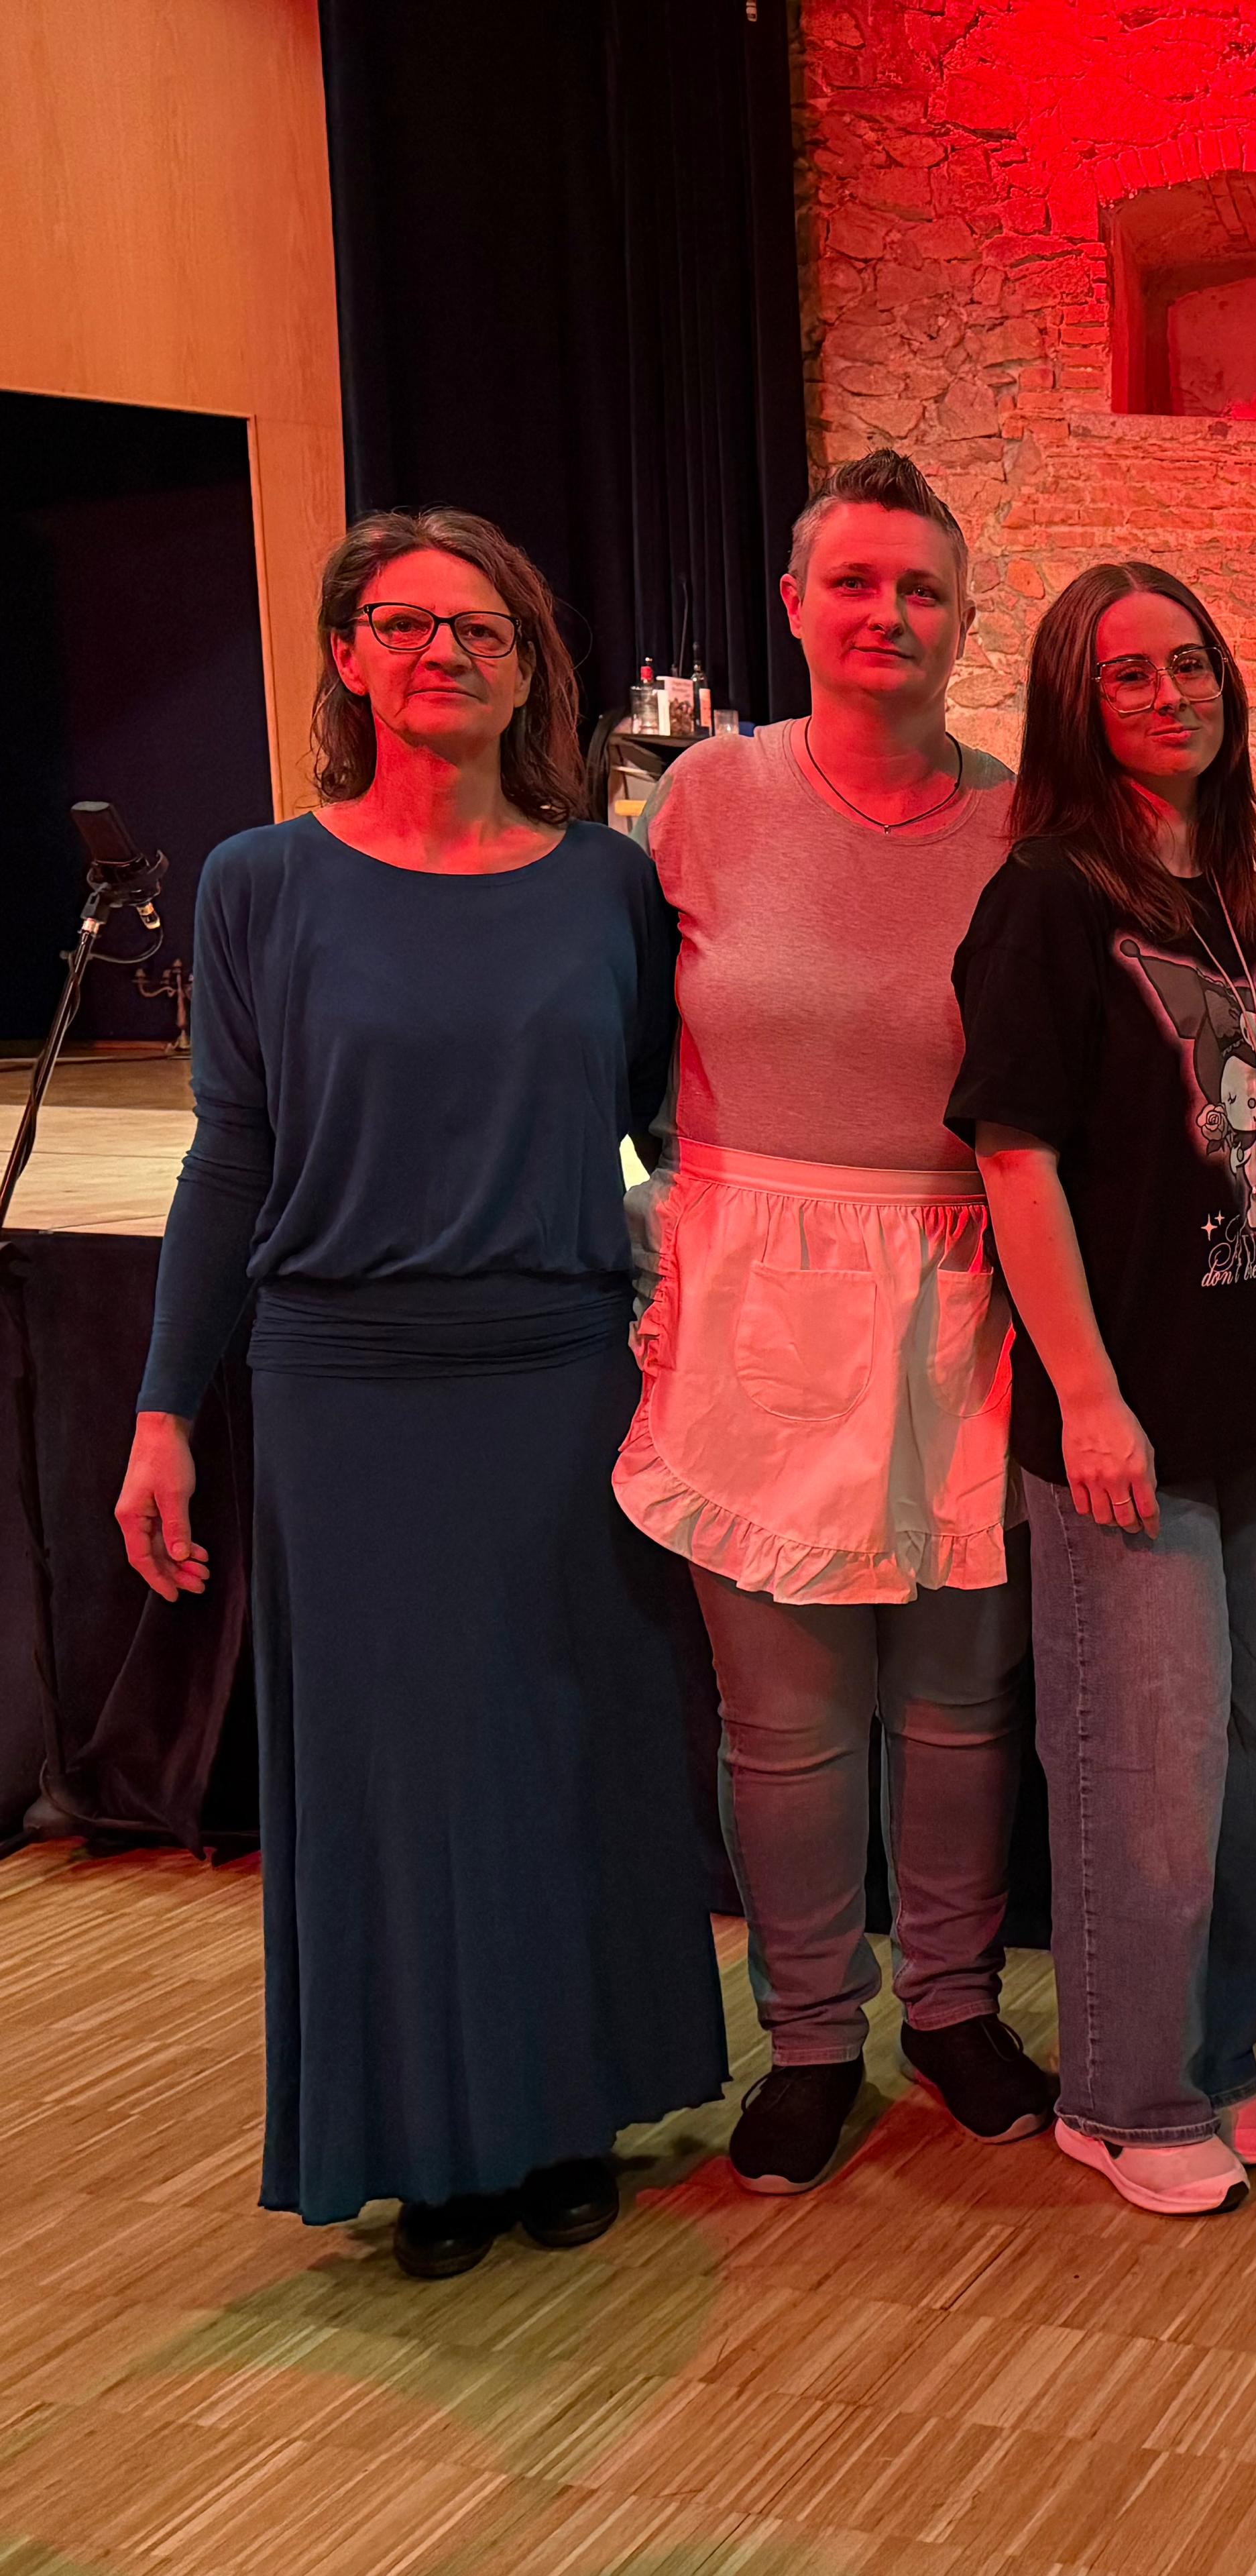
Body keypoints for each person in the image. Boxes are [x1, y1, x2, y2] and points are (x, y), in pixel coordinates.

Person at [114, 511, 723, 2278]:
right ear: (347, 657)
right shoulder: (260, 883)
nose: (443, 652)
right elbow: (231, 1159)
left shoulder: (606, 884)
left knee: (570, 1753)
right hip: (349, 1394)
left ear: (531, 672)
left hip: (557, 1375)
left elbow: (658, 1117)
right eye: (403, 624)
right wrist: (162, 1409)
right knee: (395, 1781)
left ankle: (568, 2111)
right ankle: (432, 2138)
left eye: (482, 629)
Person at [614, 448, 1046, 2195]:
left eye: (921, 588)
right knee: (785, 1727)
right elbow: (613, 1043)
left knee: (958, 1706)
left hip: (963, 1281)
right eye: (855, 582)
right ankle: (807, 2036)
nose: (888, 614)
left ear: (963, 619)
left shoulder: (1024, 822)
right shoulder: (703, 801)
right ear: (793, 605)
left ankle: (953, 2008)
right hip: (754, 1288)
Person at [948, 562, 1256, 2219]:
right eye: (1128, 674)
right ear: (1074, 700)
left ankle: (1220, 2054)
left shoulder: (1248, 901)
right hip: (1129, 1415)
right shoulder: (1045, 897)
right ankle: (1121, 2094)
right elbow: (1014, 1155)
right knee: (1150, 1772)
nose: (1172, 695)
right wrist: (1088, 1394)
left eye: (1192, 664)